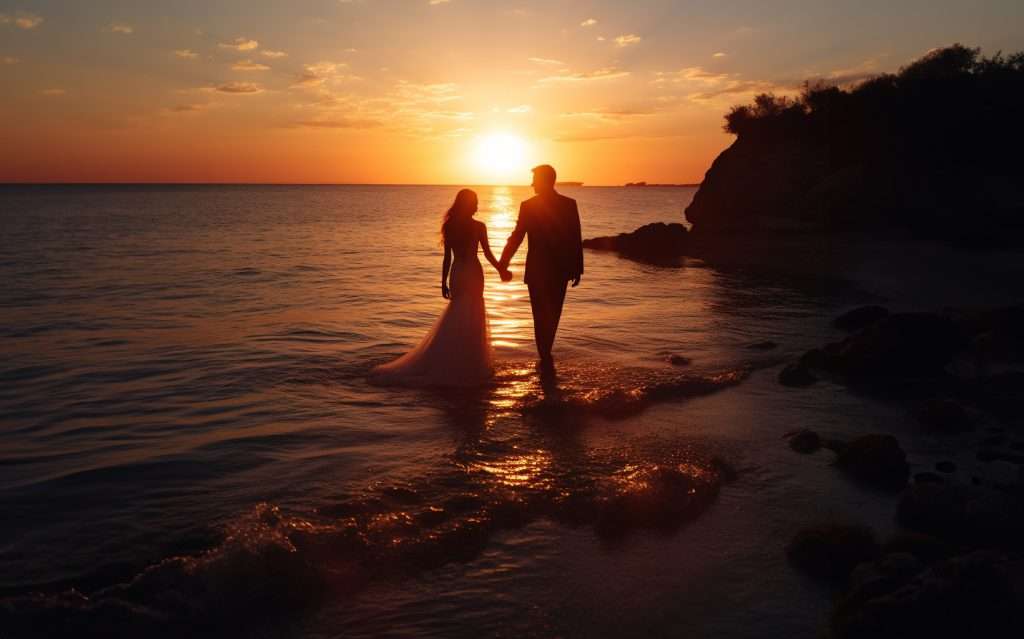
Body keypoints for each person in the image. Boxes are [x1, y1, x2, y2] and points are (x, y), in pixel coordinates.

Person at [370, 189, 507, 386]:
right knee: (473, 314)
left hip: (458, 272)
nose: (478, 205)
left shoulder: (450, 226)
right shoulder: (479, 227)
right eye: (475, 202)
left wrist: (443, 282)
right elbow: (487, 254)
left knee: (458, 313)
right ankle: (469, 363)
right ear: (468, 204)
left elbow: (447, 258)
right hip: (474, 273)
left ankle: (454, 359)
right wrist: (501, 269)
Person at [498, 165, 583, 369]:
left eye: (535, 179)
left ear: (545, 180)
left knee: (541, 316)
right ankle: (545, 356)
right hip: (559, 270)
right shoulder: (567, 204)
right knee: (552, 315)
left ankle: (544, 356)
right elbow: (575, 239)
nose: (532, 183)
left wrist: (503, 262)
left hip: (542, 270)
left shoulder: (530, 206)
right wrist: (577, 268)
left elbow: (518, 236)